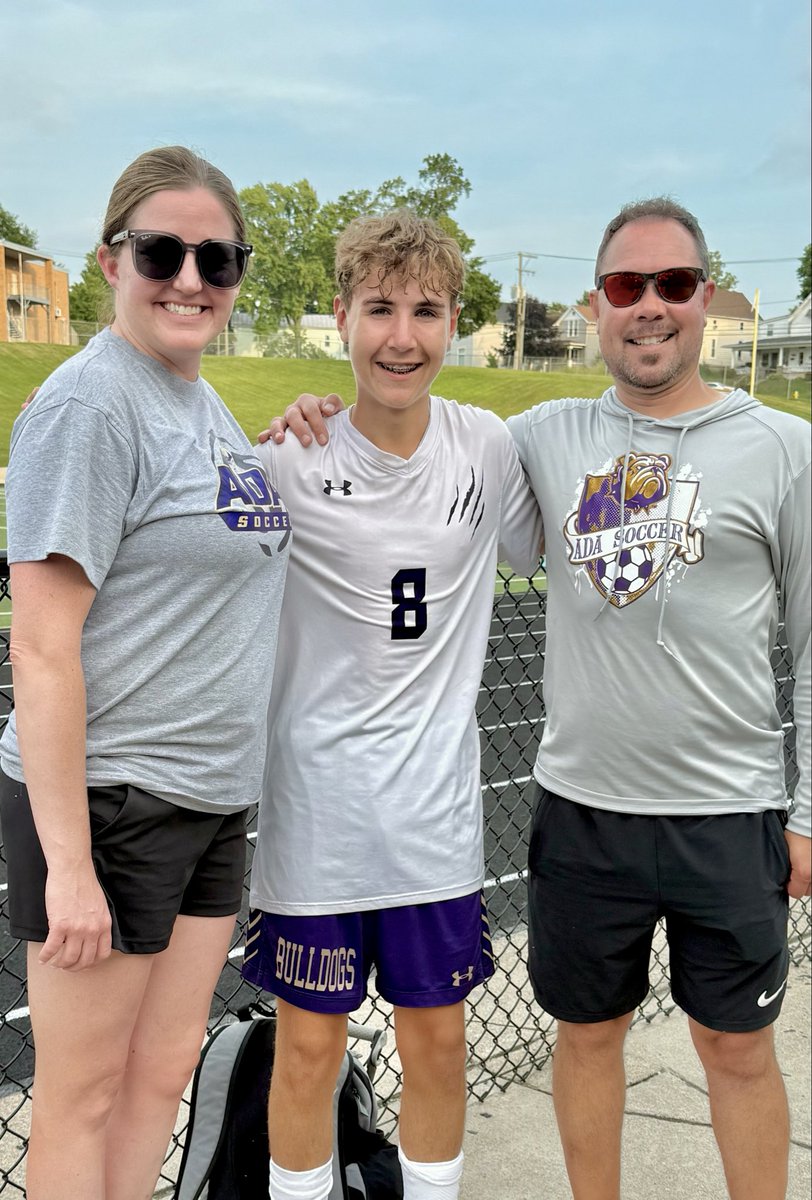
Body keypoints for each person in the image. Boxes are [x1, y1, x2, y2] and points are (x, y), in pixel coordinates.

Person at [269, 197, 811, 1200]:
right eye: (622, 287)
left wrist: (808, 810)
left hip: (725, 809)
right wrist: (309, 412)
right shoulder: (542, 435)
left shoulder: (779, 449)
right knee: (584, 1037)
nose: (646, 307)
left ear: (702, 297)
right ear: (594, 304)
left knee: (736, 1051)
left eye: (672, 285)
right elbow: (393, 428)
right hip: (578, 808)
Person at [0, 146, 291, 1200]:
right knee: (80, 1096)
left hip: (210, 797)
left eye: (218, 259)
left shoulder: (198, 404)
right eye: (163, 251)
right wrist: (68, 863)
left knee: (161, 1076)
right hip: (113, 800)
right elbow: (39, 645)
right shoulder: (91, 407)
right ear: (110, 259)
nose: (190, 278)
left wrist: (285, 439)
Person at [242, 209, 542, 1200]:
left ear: (453, 320)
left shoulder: (485, 447)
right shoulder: (287, 459)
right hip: (317, 818)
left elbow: (567, 543)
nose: (401, 335)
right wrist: (271, 424)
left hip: (434, 822)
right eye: (378, 309)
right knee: (305, 1053)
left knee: (438, 1047)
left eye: (425, 310)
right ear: (340, 317)